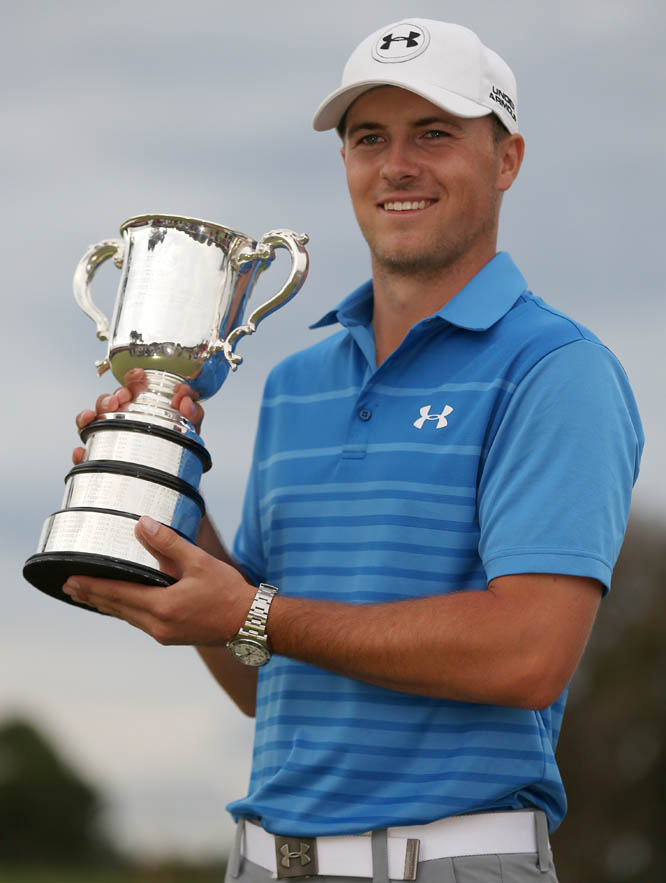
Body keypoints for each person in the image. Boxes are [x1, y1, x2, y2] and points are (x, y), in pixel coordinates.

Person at [65, 18, 643, 883]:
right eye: (369, 138)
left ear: (507, 158)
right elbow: (268, 673)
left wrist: (252, 613)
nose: (397, 165)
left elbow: (528, 653)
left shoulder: (559, 370)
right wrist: (166, 508)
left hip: (450, 861)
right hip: (262, 861)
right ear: (345, 164)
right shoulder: (298, 383)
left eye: (435, 134)